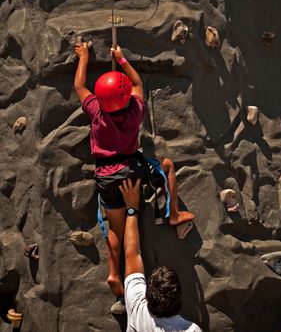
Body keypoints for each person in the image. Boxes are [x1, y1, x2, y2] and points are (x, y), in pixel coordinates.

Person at [74, 42, 194, 313]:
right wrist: (122, 60)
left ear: (101, 99)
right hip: (131, 170)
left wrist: (83, 57)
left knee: (114, 227)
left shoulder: (96, 111)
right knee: (167, 167)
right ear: (125, 98)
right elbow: (138, 85)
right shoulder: (135, 110)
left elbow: (80, 86)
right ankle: (173, 214)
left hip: (106, 174)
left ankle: (114, 273)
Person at [120, 178, 202, 332]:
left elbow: (132, 253)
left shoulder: (136, 303)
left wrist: (131, 208)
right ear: (179, 299)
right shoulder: (192, 330)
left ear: (148, 295)